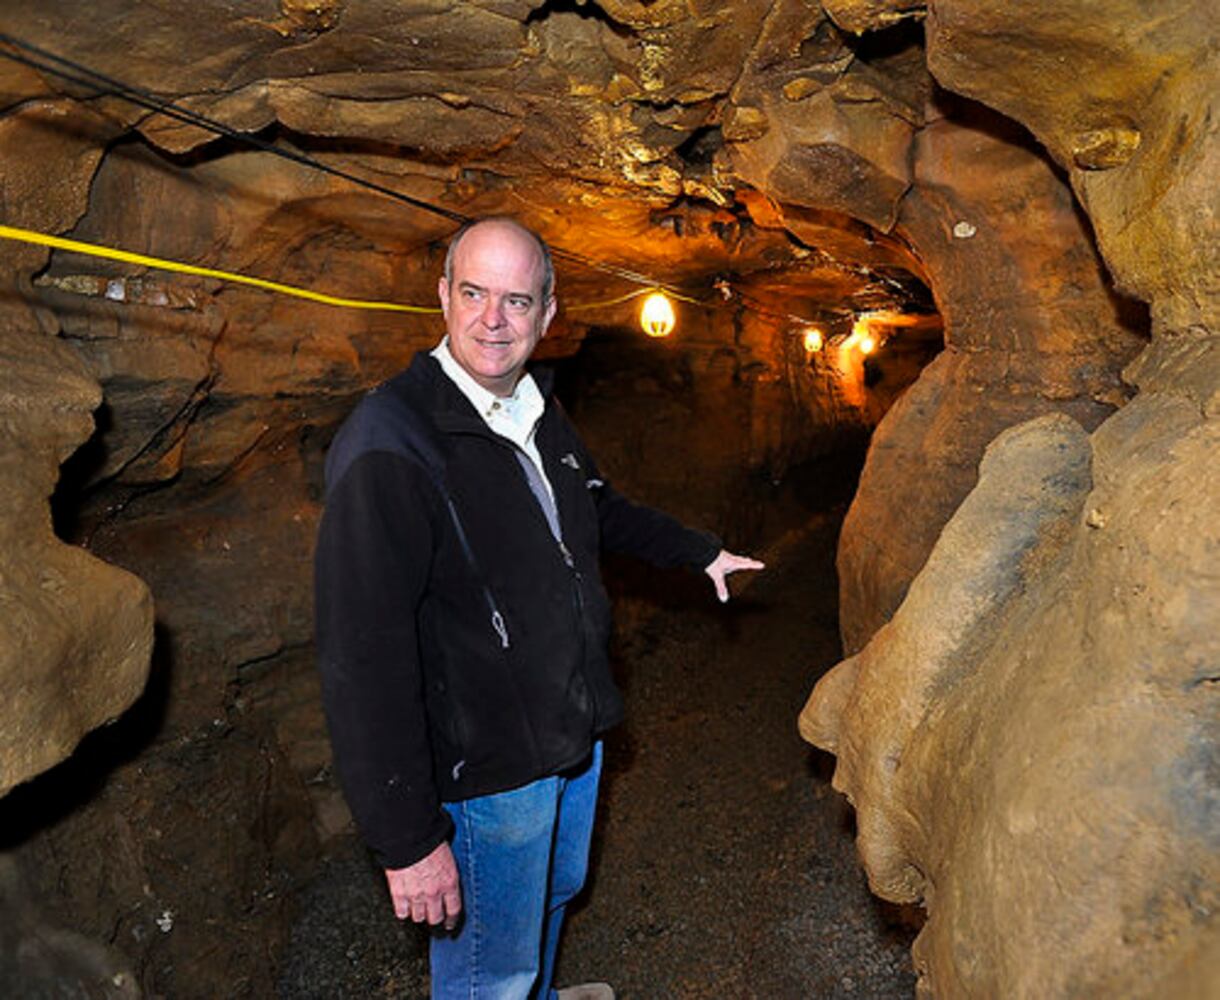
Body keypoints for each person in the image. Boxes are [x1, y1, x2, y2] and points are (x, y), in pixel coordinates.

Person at [314, 217, 763, 1000]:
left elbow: (596, 510)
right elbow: (362, 659)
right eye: (475, 293)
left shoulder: (533, 410)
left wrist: (697, 550)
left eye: (517, 301)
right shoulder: (393, 442)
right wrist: (407, 839)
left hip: (568, 731)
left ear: (548, 315)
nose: (494, 319)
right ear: (443, 296)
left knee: (551, 899)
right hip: (488, 768)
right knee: (492, 963)